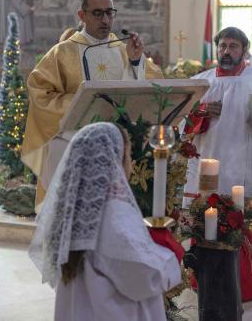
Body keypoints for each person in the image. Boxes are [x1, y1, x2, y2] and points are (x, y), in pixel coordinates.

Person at [21, 0, 163, 208]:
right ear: (82, 15)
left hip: (119, 139)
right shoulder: (63, 52)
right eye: (98, 13)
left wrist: (136, 62)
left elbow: (152, 85)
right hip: (76, 137)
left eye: (110, 12)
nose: (105, 19)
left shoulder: (123, 48)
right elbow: (40, 91)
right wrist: (81, 104)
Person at [29, 122, 181, 320]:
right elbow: (143, 277)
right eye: (127, 157)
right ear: (112, 163)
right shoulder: (113, 213)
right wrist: (169, 257)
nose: (130, 165)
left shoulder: (74, 209)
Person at [182, 27, 252, 301]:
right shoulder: (200, 83)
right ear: (216, 49)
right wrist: (200, 112)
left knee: (248, 219)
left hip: (248, 171)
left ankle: (251, 283)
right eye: (223, 46)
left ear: (244, 50)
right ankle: (205, 279)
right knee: (207, 218)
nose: (226, 51)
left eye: (233, 46)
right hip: (210, 170)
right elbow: (183, 124)